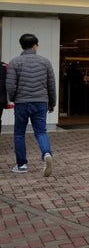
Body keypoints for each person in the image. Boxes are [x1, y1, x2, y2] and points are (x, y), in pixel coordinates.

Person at [6, 33, 57, 176]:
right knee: (41, 132)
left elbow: (10, 86)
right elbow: (51, 85)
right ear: (34, 46)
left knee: (19, 133)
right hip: (40, 102)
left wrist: (14, 98)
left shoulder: (15, 62)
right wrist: (52, 103)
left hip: (21, 103)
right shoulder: (45, 62)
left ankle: (21, 165)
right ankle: (46, 154)